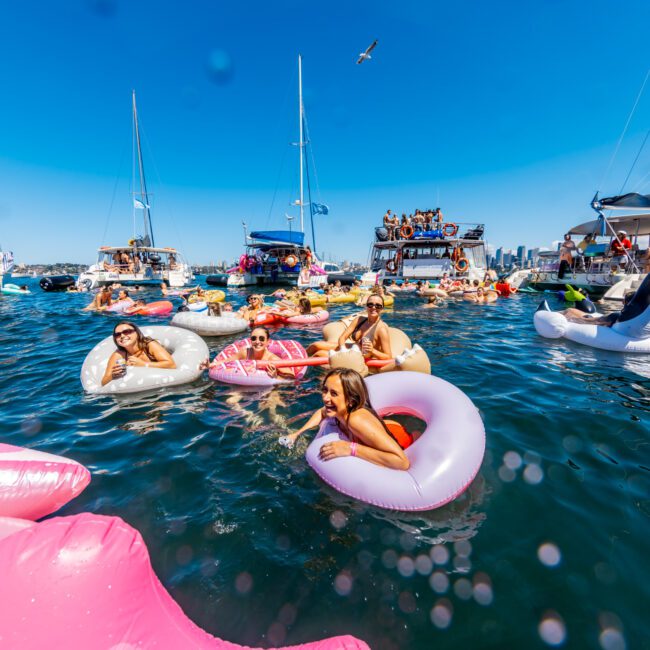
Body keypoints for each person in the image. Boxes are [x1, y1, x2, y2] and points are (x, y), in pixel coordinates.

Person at [278, 368, 411, 469]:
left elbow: (402, 462)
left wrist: (350, 448)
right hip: (379, 431)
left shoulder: (356, 420)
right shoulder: (339, 411)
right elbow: (321, 412)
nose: (325, 398)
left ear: (351, 401)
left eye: (334, 393)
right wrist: (297, 434)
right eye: (325, 390)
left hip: (400, 439)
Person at [307, 294, 392, 360]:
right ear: (366, 306)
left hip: (360, 356)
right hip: (350, 348)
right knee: (316, 345)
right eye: (370, 304)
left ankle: (302, 368)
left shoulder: (381, 329)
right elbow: (342, 338)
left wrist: (372, 350)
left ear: (382, 308)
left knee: (320, 354)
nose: (374, 307)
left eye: (378, 306)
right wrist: (343, 350)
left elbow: (388, 356)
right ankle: (299, 358)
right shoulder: (359, 320)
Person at [101, 321, 176, 386]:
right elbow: (104, 382)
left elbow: (171, 365)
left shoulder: (149, 345)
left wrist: (143, 364)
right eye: (117, 334)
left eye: (127, 331)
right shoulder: (119, 355)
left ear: (136, 333)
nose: (122, 336)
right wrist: (113, 375)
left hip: (162, 382)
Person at [207, 326, 294, 379]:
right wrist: (209, 365)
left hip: (268, 385)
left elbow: (292, 376)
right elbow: (227, 361)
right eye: (254, 338)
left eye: (261, 338)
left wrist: (276, 377)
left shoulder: (272, 359)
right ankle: (245, 410)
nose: (257, 341)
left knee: (270, 403)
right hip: (248, 382)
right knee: (231, 401)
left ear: (268, 342)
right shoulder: (245, 353)